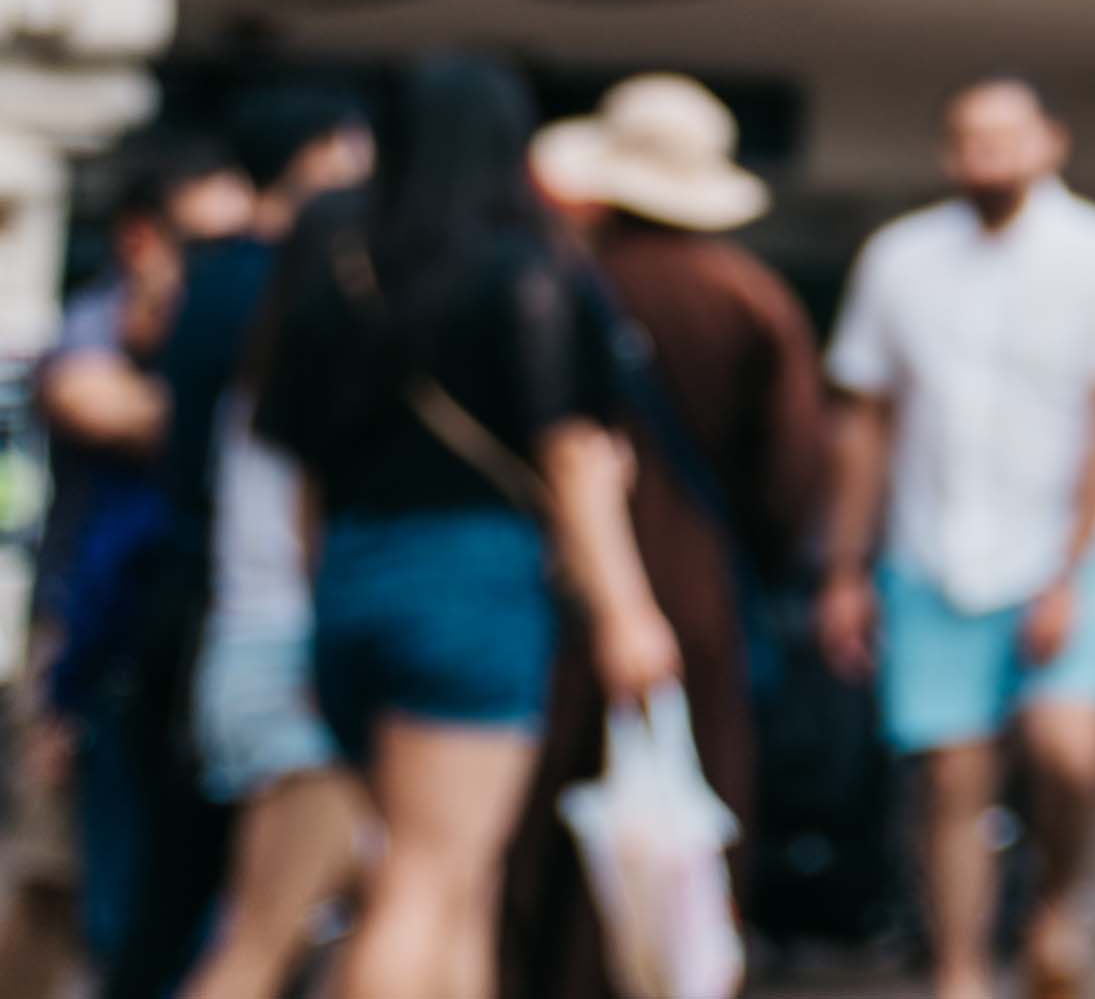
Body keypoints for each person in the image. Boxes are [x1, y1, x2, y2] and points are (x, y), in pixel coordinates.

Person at [253, 56, 681, 999]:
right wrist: (627, 610)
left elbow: (301, 471)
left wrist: (328, 587)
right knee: (426, 877)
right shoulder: (526, 266)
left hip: (351, 576)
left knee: (461, 879)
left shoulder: (334, 260)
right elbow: (573, 457)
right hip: (472, 583)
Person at [820, 75, 1095, 999]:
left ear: (1049, 141)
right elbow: (865, 420)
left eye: (1005, 137)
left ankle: (1059, 897)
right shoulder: (899, 258)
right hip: (931, 546)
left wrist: (1070, 567)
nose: (987, 156)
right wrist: (845, 565)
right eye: (970, 140)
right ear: (948, 153)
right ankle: (961, 969)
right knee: (949, 777)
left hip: (1068, 546)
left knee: (1069, 751)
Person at [508, 76, 828, 999]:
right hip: (695, 589)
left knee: (550, 824)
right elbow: (791, 474)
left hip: (548, 583)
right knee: (685, 815)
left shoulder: (552, 282)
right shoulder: (751, 299)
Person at [133, 85, 373, 999]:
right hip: (288, 657)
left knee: (256, 920)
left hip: (232, 642)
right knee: (262, 940)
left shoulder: (223, 313)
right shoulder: (307, 369)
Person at [6, 135, 250, 999]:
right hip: (91, 642)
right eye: (208, 246)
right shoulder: (96, 329)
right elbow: (97, 405)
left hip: (159, 650)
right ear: (144, 239)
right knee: (68, 881)